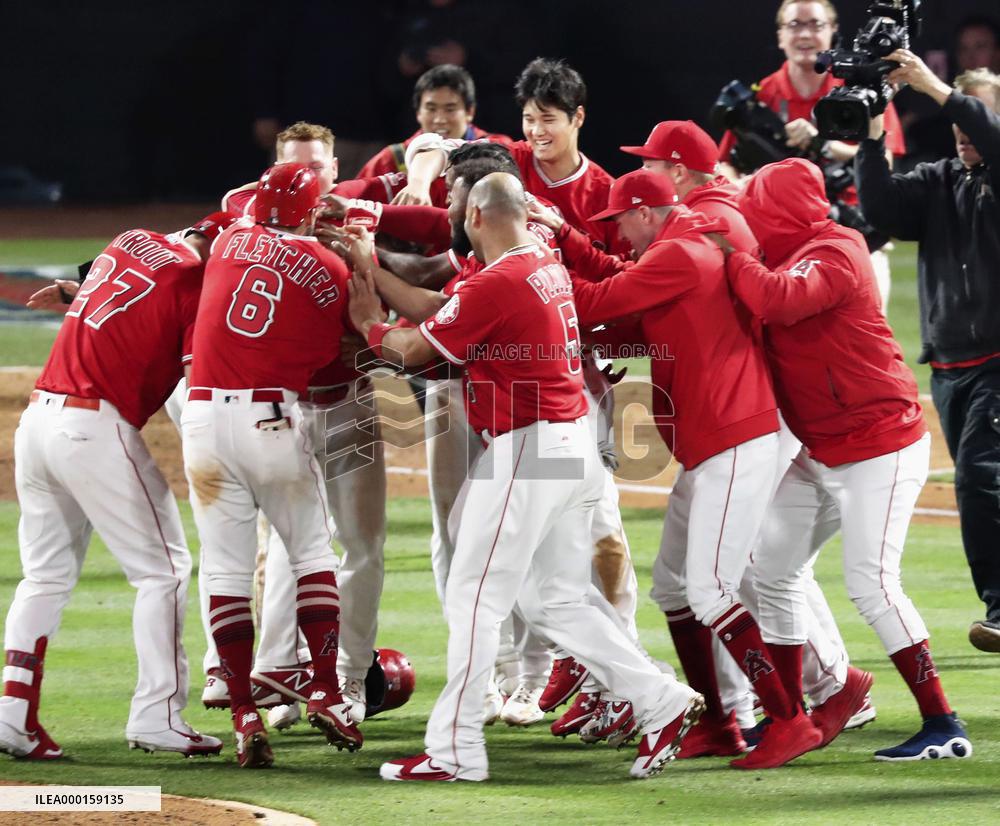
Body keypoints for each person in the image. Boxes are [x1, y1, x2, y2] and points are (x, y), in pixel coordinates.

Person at [347, 171, 704, 781]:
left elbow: (410, 351)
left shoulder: (502, 279)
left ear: (480, 216)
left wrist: (366, 321)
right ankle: (660, 699)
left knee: (474, 595)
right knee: (554, 597)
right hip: (570, 448)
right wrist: (374, 271)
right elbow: (444, 309)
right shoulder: (540, 260)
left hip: (532, 449)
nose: (456, 217)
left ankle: (455, 752)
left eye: (461, 209)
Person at [604, 119, 873, 749]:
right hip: (724, 423)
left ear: (673, 173)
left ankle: (812, 699)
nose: (617, 232)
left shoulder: (704, 224)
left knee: (740, 574)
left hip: (743, 421)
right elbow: (648, 311)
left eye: (653, 162)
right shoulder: (699, 222)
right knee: (709, 576)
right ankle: (732, 713)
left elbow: (616, 295)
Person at [555, 168, 822, 770]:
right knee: (673, 586)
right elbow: (635, 321)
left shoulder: (679, 250)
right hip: (711, 442)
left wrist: (535, 273)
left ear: (646, 210)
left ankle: (788, 718)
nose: (617, 233)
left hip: (736, 437)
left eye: (619, 220)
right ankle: (722, 720)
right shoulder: (681, 247)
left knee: (711, 588)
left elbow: (599, 299)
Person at [720, 156, 972, 762]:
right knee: (768, 567)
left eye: (759, 209)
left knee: (872, 583)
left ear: (781, 212)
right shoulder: (784, 251)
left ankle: (943, 721)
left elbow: (777, 301)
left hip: (880, 444)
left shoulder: (838, 249)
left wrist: (730, 252)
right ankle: (791, 715)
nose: (751, 220)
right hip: (823, 447)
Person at [0, 214, 235, 761]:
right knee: (166, 570)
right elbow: (201, 379)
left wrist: (73, 289)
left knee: (44, 576)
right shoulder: (197, 287)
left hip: (37, 423)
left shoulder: (130, 239)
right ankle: (158, 714)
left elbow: (132, 292)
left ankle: (12, 714)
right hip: (94, 430)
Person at [183, 163, 361, 767]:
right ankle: (330, 694)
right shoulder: (333, 267)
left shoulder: (231, 238)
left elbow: (226, 213)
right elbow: (336, 379)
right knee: (311, 553)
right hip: (273, 418)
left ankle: (241, 711)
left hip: (203, 420)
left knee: (226, 572)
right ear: (314, 212)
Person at [857, 55, 1000, 654]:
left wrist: (934, 88)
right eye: (957, 122)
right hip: (948, 365)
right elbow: (881, 211)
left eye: (976, 118)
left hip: (997, 360)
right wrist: (870, 130)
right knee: (982, 482)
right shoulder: (940, 179)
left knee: (978, 476)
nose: (964, 131)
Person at [717, 0, 906, 311]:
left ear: (832, 32)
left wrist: (824, 143)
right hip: (778, 242)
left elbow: (884, 161)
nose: (805, 34)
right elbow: (724, 163)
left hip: (853, 236)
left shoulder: (860, 88)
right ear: (780, 36)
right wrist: (744, 188)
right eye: (795, 25)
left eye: (816, 25)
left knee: (861, 342)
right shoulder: (763, 94)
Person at [400, 58, 627, 254]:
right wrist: (418, 185)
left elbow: (620, 273)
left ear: (577, 117)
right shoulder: (505, 158)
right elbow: (435, 147)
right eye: (529, 119)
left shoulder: (608, 194)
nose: (537, 132)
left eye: (548, 119)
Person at [359, 63, 511, 201]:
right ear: (418, 112)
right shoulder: (391, 159)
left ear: (470, 111)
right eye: (431, 109)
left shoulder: (498, 149)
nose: (439, 119)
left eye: (450, 109)